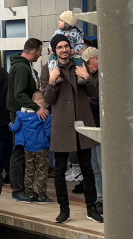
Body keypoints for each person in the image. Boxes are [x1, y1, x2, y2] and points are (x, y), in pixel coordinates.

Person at [40, 33, 102, 224]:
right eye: (59, 47)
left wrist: (87, 77)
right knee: (59, 170)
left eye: (66, 46)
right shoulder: (48, 69)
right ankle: (64, 210)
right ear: (54, 50)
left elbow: (93, 92)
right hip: (62, 125)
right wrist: (52, 81)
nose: (64, 50)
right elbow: (47, 100)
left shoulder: (80, 65)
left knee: (88, 168)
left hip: (82, 123)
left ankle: (91, 208)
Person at [6, 38, 47, 200]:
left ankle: (22, 189)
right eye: (40, 51)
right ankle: (18, 190)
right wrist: (36, 108)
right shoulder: (22, 68)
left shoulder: (21, 65)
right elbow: (19, 93)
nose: (40, 54)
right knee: (19, 152)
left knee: (22, 151)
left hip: (20, 113)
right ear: (34, 50)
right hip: (21, 115)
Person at [9, 90, 52, 205]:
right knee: (41, 172)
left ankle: (29, 194)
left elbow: (15, 128)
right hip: (42, 147)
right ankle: (42, 196)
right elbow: (48, 132)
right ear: (42, 101)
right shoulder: (44, 114)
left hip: (27, 148)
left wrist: (10, 126)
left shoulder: (21, 115)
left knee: (29, 171)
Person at [81, 46, 101, 209]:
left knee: (101, 165)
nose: (87, 66)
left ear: (96, 58)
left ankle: (103, 197)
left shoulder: (103, 75)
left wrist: (82, 101)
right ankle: (99, 197)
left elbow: (98, 101)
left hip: (101, 126)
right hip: (93, 125)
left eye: (88, 62)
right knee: (94, 166)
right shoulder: (93, 76)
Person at [48, 11, 87, 84]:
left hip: (72, 52)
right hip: (57, 53)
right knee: (52, 59)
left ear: (67, 23)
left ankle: (80, 76)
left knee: (79, 60)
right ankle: (55, 75)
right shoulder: (57, 32)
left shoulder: (75, 33)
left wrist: (74, 51)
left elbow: (81, 44)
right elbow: (52, 41)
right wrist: (51, 48)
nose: (59, 22)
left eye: (61, 21)